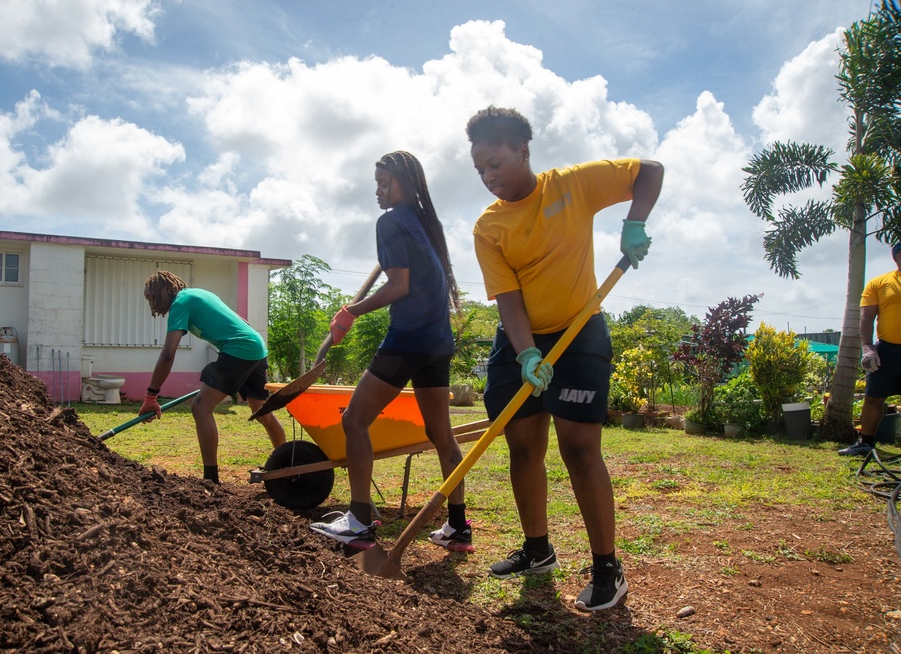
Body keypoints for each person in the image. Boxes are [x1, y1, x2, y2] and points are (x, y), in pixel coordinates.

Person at [466, 106, 663, 611]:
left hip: (579, 334)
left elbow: (650, 171)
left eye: (494, 164)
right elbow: (508, 296)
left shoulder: (572, 185)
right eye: (479, 170)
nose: (488, 178)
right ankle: (537, 551)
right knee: (523, 446)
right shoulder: (488, 227)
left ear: (522, 150)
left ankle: (607, 568)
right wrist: (527, 350)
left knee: (579, 449)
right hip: (520, 341)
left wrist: (634, 223)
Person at [309, 151, 472, 553]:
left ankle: (360, 522)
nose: (379, 192)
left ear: (407, 183)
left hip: (409, 339)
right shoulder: (424, 223)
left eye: (386, 183)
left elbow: (398, 286)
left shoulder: (392, 221)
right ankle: (457, 526)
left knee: (355, 420)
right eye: (376, 184)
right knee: (440, 433)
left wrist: (351, 312)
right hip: (438, 342)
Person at [139, 270, 286, 483]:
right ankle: (288, 462)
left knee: (200, 407)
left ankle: (210, 479)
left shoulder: (180, 303)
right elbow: (238, 319)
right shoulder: (197, 294)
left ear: (165, 289)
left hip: (239, 349)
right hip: (255, 346)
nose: (152, 304)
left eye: (152, 297)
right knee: (262, 413)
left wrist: (150, 397)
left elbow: (168, 354)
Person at [838, 242, 901, 457]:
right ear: (896, 257)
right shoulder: (879, 283)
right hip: (888, 351)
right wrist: (867, 347)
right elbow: (866, 318)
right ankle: (866, 443)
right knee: (873, 398)